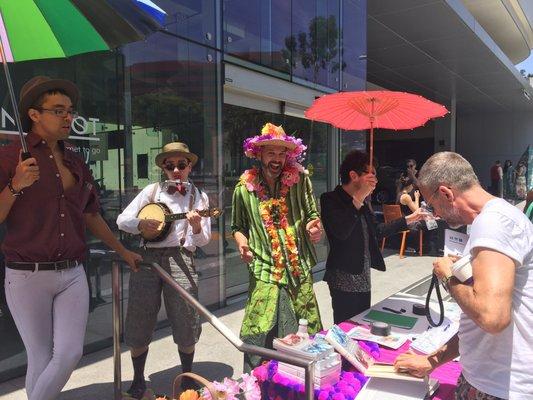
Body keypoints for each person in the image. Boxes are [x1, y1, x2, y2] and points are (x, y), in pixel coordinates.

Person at [0, 76, 141, 400]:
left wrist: (122, 250)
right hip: (26, 274)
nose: (68, 118)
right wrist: (15, 185)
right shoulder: (10, 160)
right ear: (34, 115)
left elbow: (91, 215)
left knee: (68, 353)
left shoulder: (77, 162)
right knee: (39, 356)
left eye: (70, 111)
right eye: (58, 110)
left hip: (72, 273)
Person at [394, 152, 533, 400]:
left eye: (432, 205)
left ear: (446, 193)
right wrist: (432, 360)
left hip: (500, 388)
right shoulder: (493, 218)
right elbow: (477, 321)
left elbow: (492, 317)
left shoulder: (493, 223)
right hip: (489, 381)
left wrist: (449, 276)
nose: (435, 214)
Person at [116, 142, 211, 398]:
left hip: (182, 258)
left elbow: (203, 241)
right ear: (163, 168)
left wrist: (197, 226)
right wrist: (141, 223)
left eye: (182, 164)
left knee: (186, 319)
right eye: (170, 166)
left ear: (190, 166)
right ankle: (137, 379)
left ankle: (188, 380)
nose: (176, 170)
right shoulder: (152, 191)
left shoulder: (199, 197)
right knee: (140, 316)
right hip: (147, 259)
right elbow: (122, 220)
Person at [231, 123, 323, 372]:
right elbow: (237, 226)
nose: (277, 159)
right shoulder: (244, 189)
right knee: (259, 325)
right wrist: (242, 243)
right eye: (271, 153)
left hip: (298, 265)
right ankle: (257, 379)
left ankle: (304, 379)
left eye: (282, 153)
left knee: (306, 325)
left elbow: (312, 213)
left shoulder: (300, 181)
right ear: (258, 154)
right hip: (263, 266)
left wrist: (315, 227)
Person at [321, 151, 428, 323]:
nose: (375, 181)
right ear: (353, 175)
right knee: (345, 327)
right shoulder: (331, 199)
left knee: (362, 324)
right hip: (343, 276)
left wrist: (409, 219)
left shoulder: (362, 203)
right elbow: (341, 232)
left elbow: (376, 231)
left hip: (363, 275)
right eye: (370, 175)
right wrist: (358, 199)